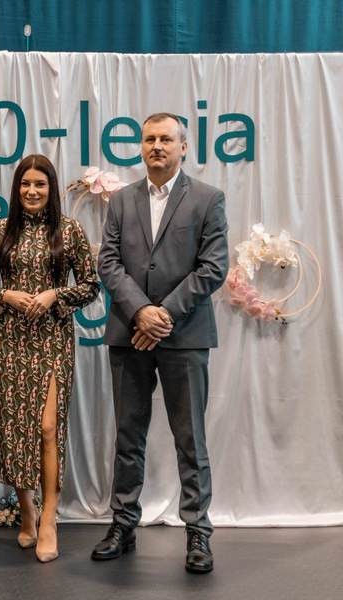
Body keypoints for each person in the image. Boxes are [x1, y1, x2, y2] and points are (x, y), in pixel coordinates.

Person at [93, 113, 229, 574]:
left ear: (183, 147)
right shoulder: (121, 200)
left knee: (190, 439)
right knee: (128, 436)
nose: (156, 146)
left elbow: (213, 267)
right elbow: (108, 263)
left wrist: (164, 314)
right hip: (129, 333)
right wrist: (140, 312)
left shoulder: (208, 198)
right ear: (141, 146)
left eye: (166, 139)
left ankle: (198, 531)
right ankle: (122, 525)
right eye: (149, 139)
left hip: (184, 335)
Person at [0, 154, 99, 563]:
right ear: (17, 188)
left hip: (53, 338)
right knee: (15, 429)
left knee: (47, 428)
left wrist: (54, 295)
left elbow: (91, 285)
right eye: (25, 184)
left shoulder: (70, 230)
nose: (31, 191)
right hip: (10, 338)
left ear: (51, 188)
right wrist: (6, 295)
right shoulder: (0, 230)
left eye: (39, 184)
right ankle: (26, 510)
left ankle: (49, 519)